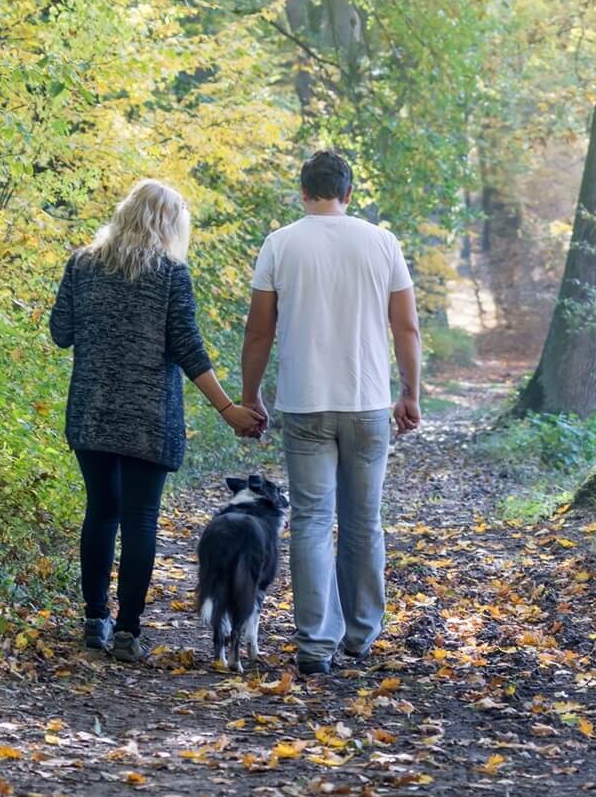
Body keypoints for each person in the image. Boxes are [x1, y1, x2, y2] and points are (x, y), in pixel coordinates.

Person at [50, 179, 263, 662]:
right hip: (149, 417)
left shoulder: (81, 265)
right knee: (140, 519)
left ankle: (93, 619)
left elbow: (61, 332)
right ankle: (127, 631)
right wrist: (228, 409)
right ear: (169, 227)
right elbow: (189, 349)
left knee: (101, 511)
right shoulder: (170, 274)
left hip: (93, 410)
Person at [240, 149, 422, 676]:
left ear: (303, 192)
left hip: (304, 403)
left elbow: (259, 331)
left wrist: (251, 396)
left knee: (314, 522)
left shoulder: (280, 243)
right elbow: (405, 328)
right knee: (364, 520)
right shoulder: (381, 242)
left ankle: (316, 643)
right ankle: (361, 635)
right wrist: (409, 392)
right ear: (348, 193)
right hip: (367, 403)